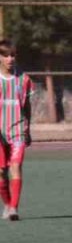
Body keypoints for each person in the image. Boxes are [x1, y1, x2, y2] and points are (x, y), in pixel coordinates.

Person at [0, 39, 33, 222]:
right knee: (1, 174)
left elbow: (27, 106)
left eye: (12, 55)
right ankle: (7, 204)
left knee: (15, 166)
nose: (10, 59)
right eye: (5, 55)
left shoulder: (24, 79)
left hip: (18, 130)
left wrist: (28, 128)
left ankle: (14, 208)